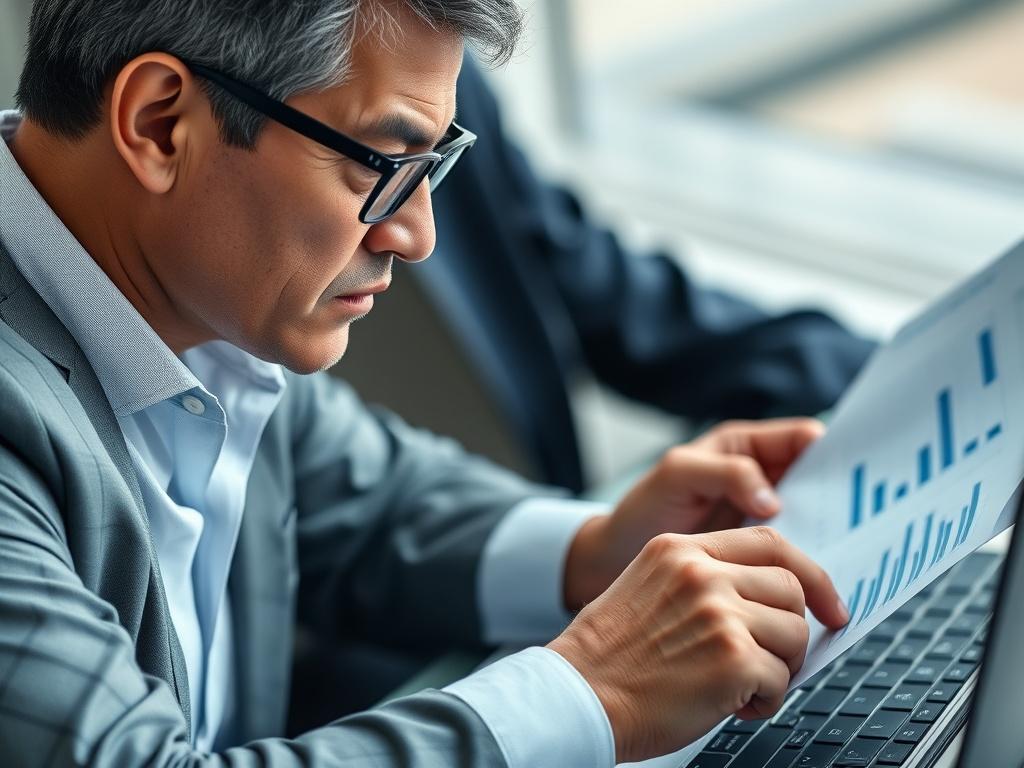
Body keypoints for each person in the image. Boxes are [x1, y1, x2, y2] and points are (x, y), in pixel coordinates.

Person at [0, 1, 848, 766]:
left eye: (432, 167)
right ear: (159, 125)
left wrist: (596, 552)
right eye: (381, 164)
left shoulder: (196, 314)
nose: (418, 235)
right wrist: (598, 691)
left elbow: (370, 502)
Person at [337, 56, 877, 492]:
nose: (421, 238)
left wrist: (904, 367)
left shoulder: (434, 66)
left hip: (538, 552)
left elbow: (620, 300)